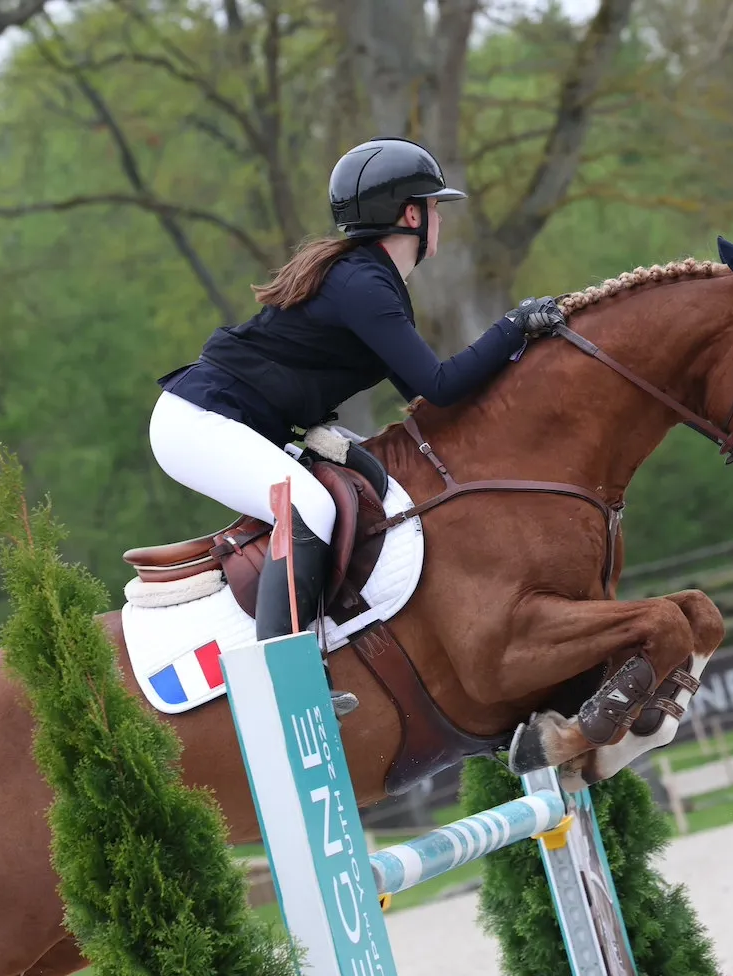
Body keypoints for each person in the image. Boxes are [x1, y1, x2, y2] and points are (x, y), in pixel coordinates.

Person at [151, 137, 566, 708]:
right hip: (199, 422)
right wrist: (513, 326)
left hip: (229, 420)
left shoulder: (369, 280)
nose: (440, 219)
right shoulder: (363, 285)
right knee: (309, 507)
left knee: (342, 496)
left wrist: (524, 360)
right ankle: (285, 681)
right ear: (411, 216)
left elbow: (429, 398)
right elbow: (439, 386)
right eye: (435, 206)